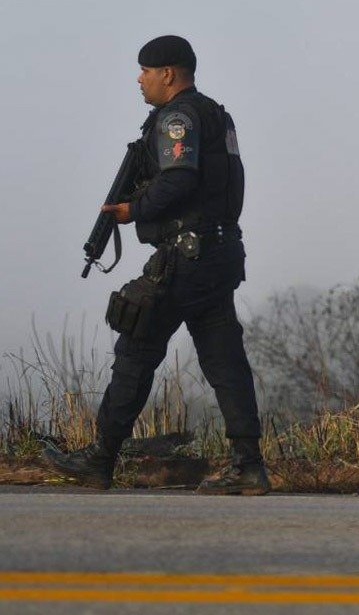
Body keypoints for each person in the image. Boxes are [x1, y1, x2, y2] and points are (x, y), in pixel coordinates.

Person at [43, 35, 269, 495]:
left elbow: (180, 179)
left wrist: (134, 209)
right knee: (225, 359)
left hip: (185, 255)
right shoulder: (216, 114)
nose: (139, 79)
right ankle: (248, 465)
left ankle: (100, 459)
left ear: (168, 73)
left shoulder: (178, 118)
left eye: (145, 71)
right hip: (219, 251)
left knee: (136, 347)